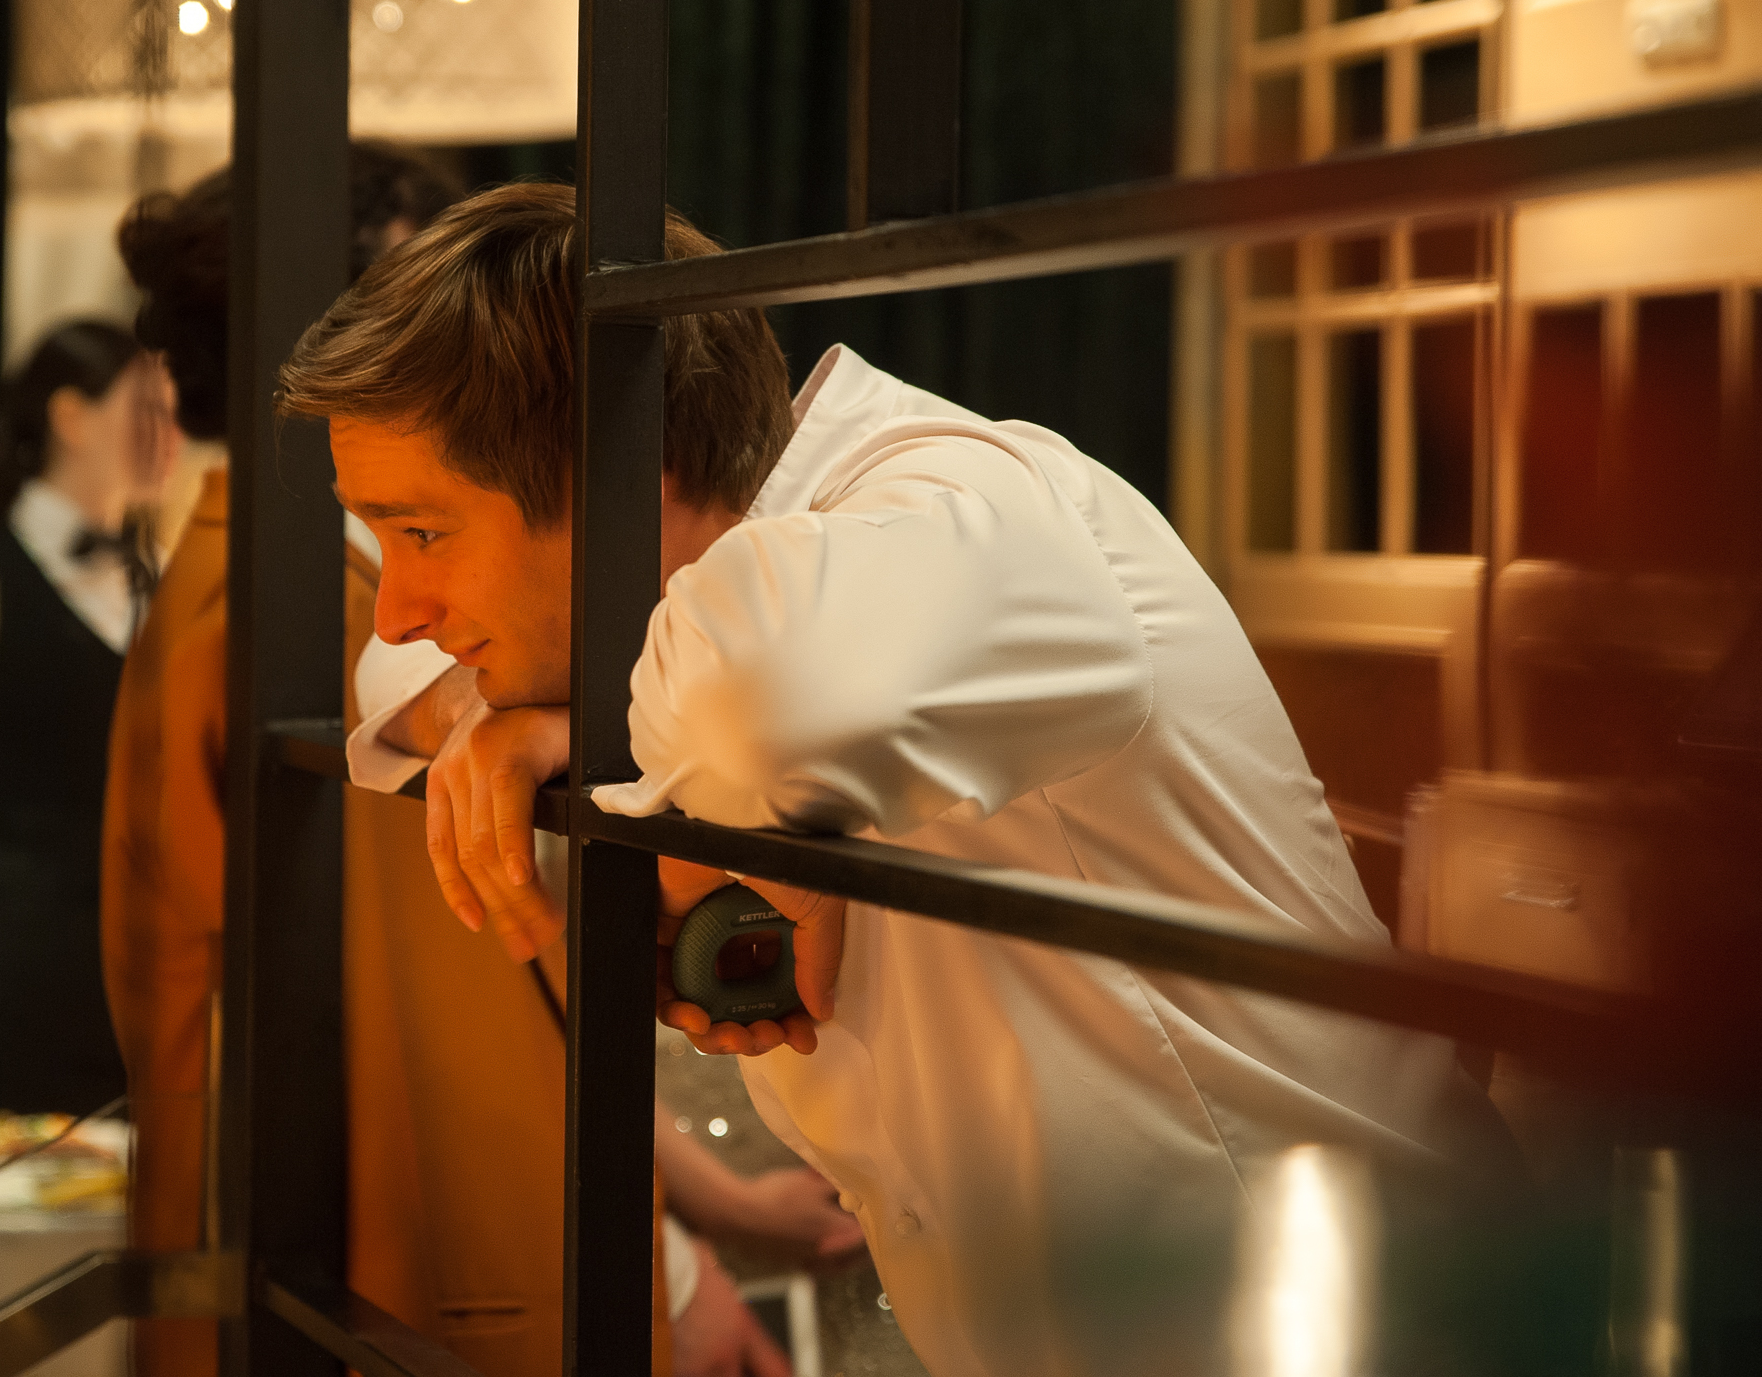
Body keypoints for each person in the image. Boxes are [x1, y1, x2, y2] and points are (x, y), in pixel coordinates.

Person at [286, 182, 1519, 1377]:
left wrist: (628, 753)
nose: (399, 604)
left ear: (619, 471)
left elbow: (767, 704)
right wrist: (557, 719)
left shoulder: (965, 502)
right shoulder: (704, 610)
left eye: (424, 533)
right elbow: (388, 678)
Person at [101, 150, 828, 1377]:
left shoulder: (237, 585)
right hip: (402, 1263)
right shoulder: (299, 611)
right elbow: (474, 989)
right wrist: (669, 1266)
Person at [0, 317, 174, 1117]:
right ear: (70, 417)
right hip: (12, 971)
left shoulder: (161, 575)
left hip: (142, 970)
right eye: (147, 408)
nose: (170, 434)